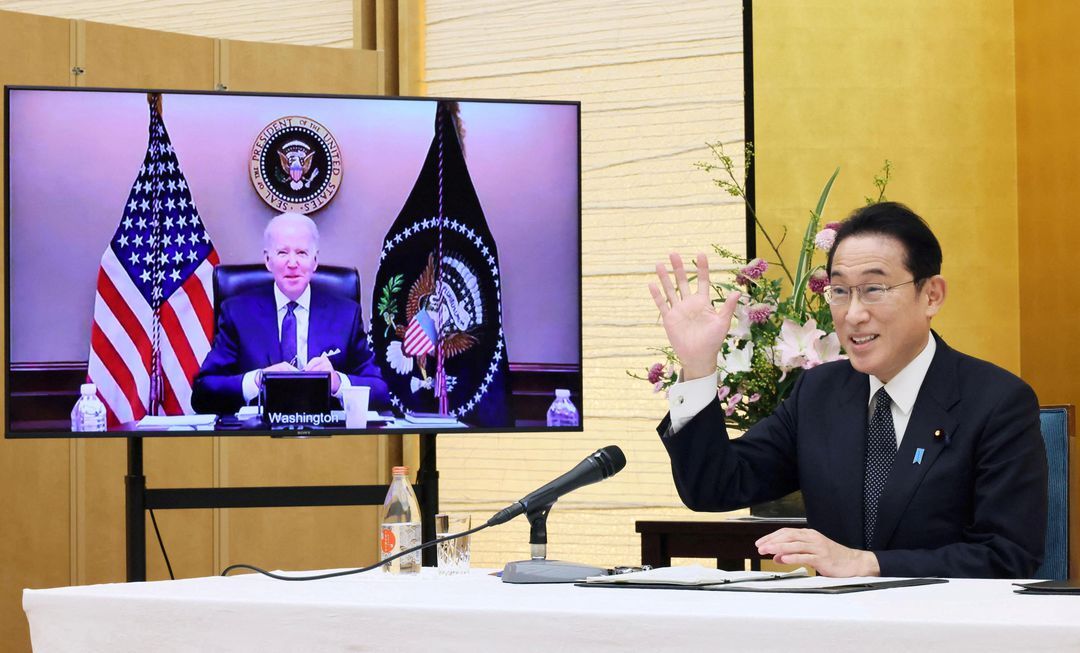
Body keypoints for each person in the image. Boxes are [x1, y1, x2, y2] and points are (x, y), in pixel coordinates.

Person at [650, 202, 1047, 578]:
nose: (853, 314)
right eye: (840, 291)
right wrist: (699, 366)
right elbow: (715, 487)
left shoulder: (996, 401)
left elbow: (1007, 556)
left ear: (932, 295)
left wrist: (867, 563)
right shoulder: (819, 393)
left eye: (874, 289)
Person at [191, 212, 388, 416]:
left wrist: (338, 383)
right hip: (256, 438)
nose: (292, 263)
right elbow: (203, 393)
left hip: (327, 439)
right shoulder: (238, 313)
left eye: (301, 253)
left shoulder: (346, 315)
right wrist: (257, 379)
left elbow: (381, 393)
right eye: (283, 253)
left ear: (314, 261)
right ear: (268, 260)